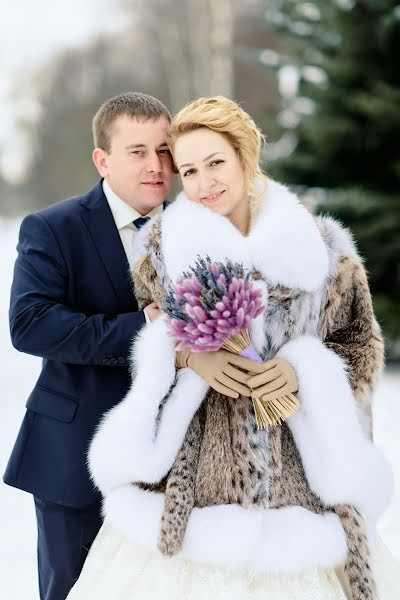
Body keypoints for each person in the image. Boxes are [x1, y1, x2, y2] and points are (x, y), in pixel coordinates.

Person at [67, 96, 399, 599]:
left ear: (245, 156)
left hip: (298, 489)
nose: (205, 183)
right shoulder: (161, 249)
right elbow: (155, 340)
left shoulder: (324, 250)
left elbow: (359, 348)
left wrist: (301, 371)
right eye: (190, 171)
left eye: (216, 162)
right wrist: (187, 356)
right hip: (191, 490)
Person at [3, 91, 175, 600]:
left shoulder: (198, 231)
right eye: (137, 151)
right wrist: (143, 327)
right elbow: (30, 324)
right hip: (74, 455)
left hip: (173, 465)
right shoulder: (53, 228)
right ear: (102, 159)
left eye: (165, 150)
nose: (155, 165)